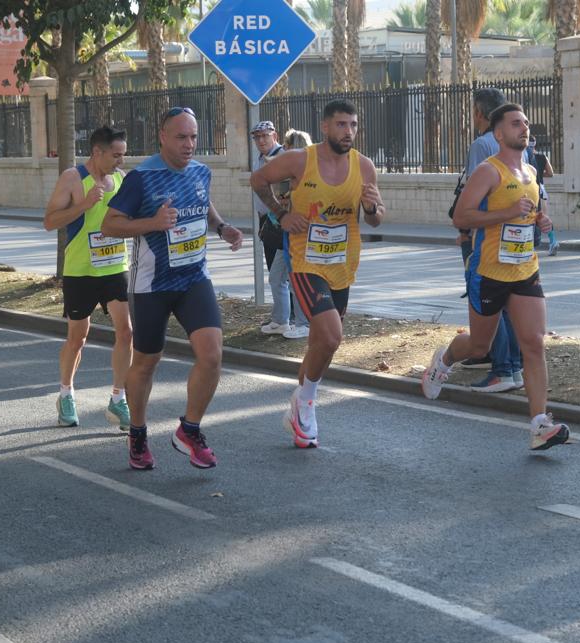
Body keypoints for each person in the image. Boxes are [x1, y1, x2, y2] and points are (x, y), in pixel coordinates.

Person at [103, 106, 243, 470]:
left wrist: (222, 227)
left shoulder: (200, 171)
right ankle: (137, 433)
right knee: (147, 361)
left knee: (212, 354)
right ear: (162, 137)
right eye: (181, 137)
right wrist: (152, 221)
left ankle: (190, 430)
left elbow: (203, 204)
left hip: (194, 277)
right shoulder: (142, 178)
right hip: (152, 285)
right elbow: (110, 224)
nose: (189, 144)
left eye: (194, 136)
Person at [422, 104, 569, 451]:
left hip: (525, 269)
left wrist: (542, 222)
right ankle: (443, 361)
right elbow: (461, 216)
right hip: (488, 272)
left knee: (533, 343)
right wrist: (504, 212)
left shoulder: (531, 172)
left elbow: (534, 211)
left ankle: (539, 424)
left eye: (526, 123)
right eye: (516, 124)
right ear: (499, 133)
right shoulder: (489, 171)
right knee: (479, 345)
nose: (524, 128)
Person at [250, 100, 385, 449]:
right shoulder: (300, 160)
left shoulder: (364, 167)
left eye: (353, 125)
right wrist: (281, 215)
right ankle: (308, 403)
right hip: (305, 262)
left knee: (321, 342)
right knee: (330, 335)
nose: (349, 132)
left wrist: (371, 207)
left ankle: (298, 404)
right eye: (341, 125)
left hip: (342, 265)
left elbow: (375, 219)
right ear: (325, 127)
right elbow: (259, 178)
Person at [44, 126, 133, 430]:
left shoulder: (121, 179)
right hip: (81, 270)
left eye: (123, 154)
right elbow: (49, 221)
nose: (121, 160)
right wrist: (83, 205)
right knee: (77, 337)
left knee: (126, 331)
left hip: (115, 266)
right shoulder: (72, 177)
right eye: (116, 155)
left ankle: (118, 399)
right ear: (98, 152)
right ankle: (66, 393)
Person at [453, 88, 523, 393]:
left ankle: (503, 368)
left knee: (489, 302)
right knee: (510, 302)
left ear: (481, 114)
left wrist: (466, 233)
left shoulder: (483, 145)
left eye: (473, 111)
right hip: (516, 236)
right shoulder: (520, 145)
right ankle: (514, 366)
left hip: (488, 237)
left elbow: (474, 196)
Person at [254, 122, 310, 339]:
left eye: (286, 145)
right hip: (281, 232)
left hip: (296, 234)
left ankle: (304, 322)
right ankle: (280, 320)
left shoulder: (303, 173)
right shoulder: (286, 169)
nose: (283, 149)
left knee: (296, 278)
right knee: (277, 277)